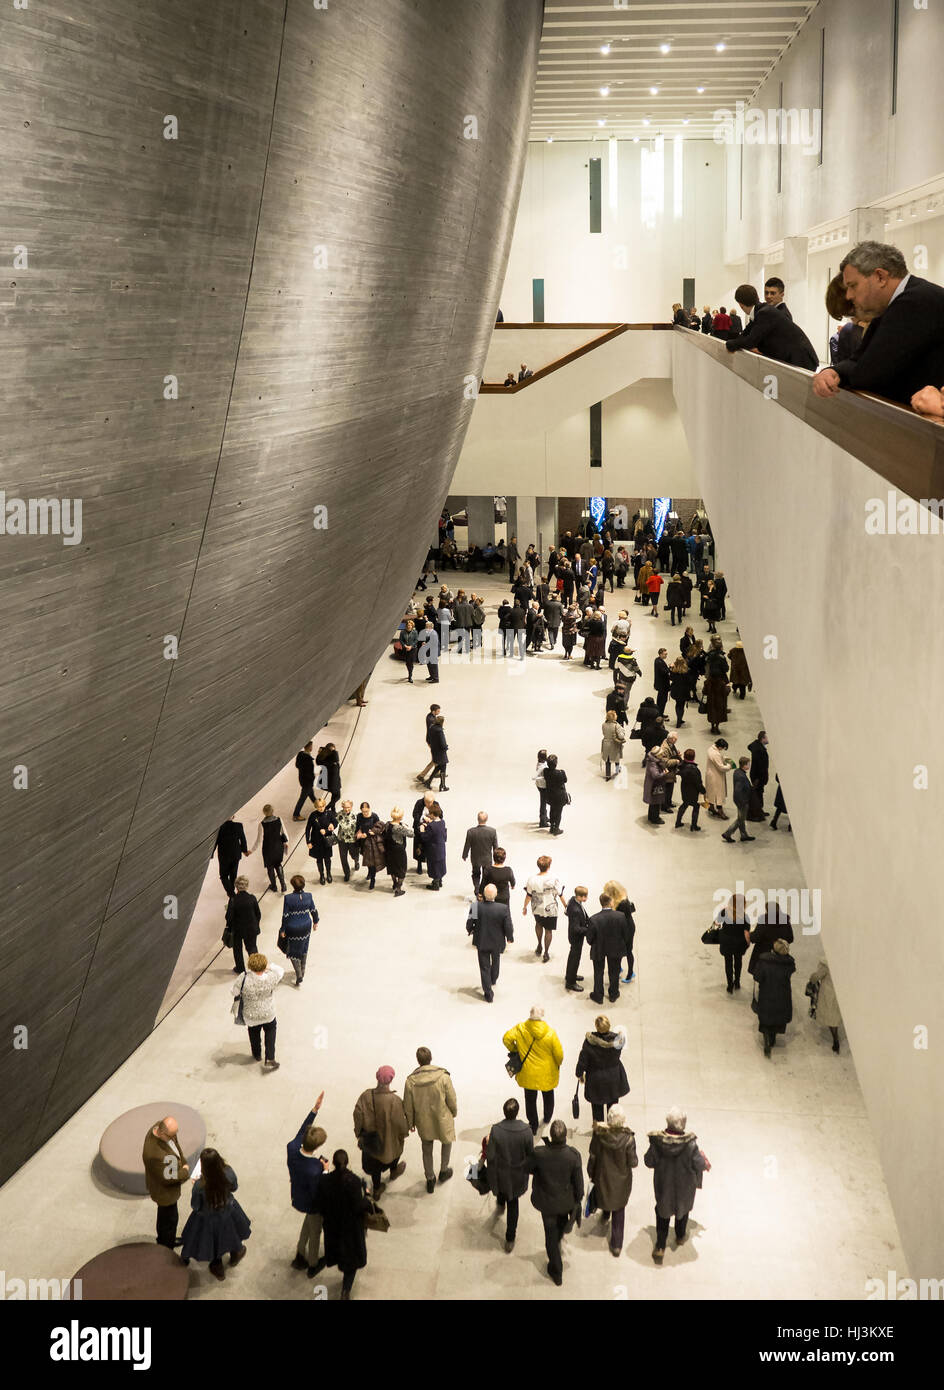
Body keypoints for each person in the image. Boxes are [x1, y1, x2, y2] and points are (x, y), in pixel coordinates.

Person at [811, 242, 944, 407]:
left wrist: (839, 372)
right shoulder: (899, 303)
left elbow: (869, 375)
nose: (849, 295)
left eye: (853, 286)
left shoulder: (915, 302)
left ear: (880, 277)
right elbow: (858, 360)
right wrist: (833, 371)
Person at [645, 1107, 709, 1263]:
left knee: (662, 1214)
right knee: (683, 1210)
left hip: (664, 1186)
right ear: (683, 1124)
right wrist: (703, 1159)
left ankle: (660, 1246)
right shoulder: (690, 1145)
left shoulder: (658, 1143)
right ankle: (680, 1236)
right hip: (684, 1188)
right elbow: (699, 1165)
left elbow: (648, 1161)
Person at [179, 1148, 251, 1281]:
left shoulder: (200, 1186)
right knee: (232, 1233)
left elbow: (195, 1205)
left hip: (208, 1219)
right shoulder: (228, 1172)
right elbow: (234, 1187)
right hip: (228, 1212)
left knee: (213, 1242)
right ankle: (235, 1254)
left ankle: (217, 1267)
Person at [531, 1119, 584, 1286]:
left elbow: (528, 1167)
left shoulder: (539, 1154)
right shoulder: (573, 1156)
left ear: (552, 1137)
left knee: (550, 1238)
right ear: (565, 1137)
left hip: (546, 1203)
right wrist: (578, 1199)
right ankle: (560, 1235)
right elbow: (579, 1185)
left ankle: (556, 1270)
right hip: (565, 1202)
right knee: (559, 1226)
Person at [314, 1150, 372, 1300]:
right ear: (347, 1162)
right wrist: (367, 1196)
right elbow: (359, 1206)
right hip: (350, 1228)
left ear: (332, 1163)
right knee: (351, 1260)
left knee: (338, 1252)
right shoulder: (353, 1181)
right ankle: (346, 1290)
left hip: (333, 1226)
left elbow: (320, 1204)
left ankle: (344, 1284)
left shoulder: (325, 1181)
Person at [503, 1005, 564, 1136]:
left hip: (528, 1072)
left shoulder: (520, 1029)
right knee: (548, 1096)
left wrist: (515, 1049)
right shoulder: (550, 1033)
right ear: (542, 1016)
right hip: (546, 1073)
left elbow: (506, 1038)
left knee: (530, 1099)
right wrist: (557, 1064)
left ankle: (533, 1125)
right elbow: (559, 1055)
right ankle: (547, 1118)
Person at [403, 1047, 458, 1192]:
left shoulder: (410, 1081)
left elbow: (408, 1105)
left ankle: (430, 1178)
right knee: (446, 1142)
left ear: (418, 1060)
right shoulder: (443, 1077)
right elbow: (451, 1098)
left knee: (426, 1148)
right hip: (442, 1118)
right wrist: (454, 1111)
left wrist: (411, 1122)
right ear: (431, 1058)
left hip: (423, 1120)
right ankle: (444, 1170)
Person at [725, 283, 818, 368]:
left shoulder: (764, 313)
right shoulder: (760, 311)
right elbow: (746, 333)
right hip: (796, 358)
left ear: (740, 305)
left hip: (801, 359)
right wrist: (734, 342)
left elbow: (751, 341)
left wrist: (730, 344)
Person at [588, 1104, 638, 1257]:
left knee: (606, 1194)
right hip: (621, 1180)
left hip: (603, 1175)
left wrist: (591, 1172)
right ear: (623, 1121)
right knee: (619, 1209)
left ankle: (604, 1214)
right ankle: (616, 1244)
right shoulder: (629, 1139)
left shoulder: (599, 1135)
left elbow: (593, 1154)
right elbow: (633, 1163)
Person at [287, 1093, 328, 1277]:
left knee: (307, 1226)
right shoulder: (314, 1169)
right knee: (315, 1231)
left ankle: (299, 1253)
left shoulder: (293, 1148)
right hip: (312, 1204)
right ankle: (312, 1263)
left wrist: (314, 1110)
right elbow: (318, 1191)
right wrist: (325, 1170)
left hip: (297, 1195)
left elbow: (302, 1131)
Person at [353, 1066, 410, 1198]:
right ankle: (393, 1171)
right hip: (390, 1143)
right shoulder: (395, 1101)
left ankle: (377, 1189)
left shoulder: (366, 1096)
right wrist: (403, 1134)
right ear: (391, 1080)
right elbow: (401, 1125)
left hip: (371, 1144)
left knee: (375, 1168)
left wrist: (359, 1134)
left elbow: (357, 1115)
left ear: (377, 1077)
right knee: (394, 1154)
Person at [487, 1098, 534, 1252]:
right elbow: (530, 1155)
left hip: (501, 1172)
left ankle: (500, 1202)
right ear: (517, 1112)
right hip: (518, 1175)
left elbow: (491, 1155)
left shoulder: (496, 1130)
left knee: (502, 1190)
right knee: (513, 1203)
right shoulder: (526, 1130)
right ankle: (510, 1238)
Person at [143, 1116, 190, 1249]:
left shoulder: (159, 1127)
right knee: (169, 1220)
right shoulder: (155, 1154)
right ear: (162, 1133)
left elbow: (175, 1146)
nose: (175, 1137)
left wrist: (182, 1160)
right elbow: (169, 1177)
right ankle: (165, 1247)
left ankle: (167, 1239)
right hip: (164, 1193)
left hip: (167, 1181)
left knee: (167, 1218)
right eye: (172, 1135)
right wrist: (185, 1171)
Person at [233, 951, 284, 1069]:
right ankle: (270, 1058)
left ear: (250, 965)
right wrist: (269, 966)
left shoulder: (243, 978)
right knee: (271, 1032)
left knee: (254, 1033)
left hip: (251, 1015)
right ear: (264, 966)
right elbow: (280, 970)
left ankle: (257, 1054)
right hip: (268, 1013)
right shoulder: (271, 977)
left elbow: (234, 992)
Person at [576, 1014, 629, 1124]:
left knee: (597, 1110)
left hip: (596, 1081)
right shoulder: (617, 1041)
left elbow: (582, 1061)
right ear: (609, 1026)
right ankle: (612, 1129)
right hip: (613, 1079)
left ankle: (599, 1132)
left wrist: (579, 1074)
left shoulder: (589, 1043)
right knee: (613, 1110)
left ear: (596, 1027)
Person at [467, 883, 514, 1002]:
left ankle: (488, 993)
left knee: (484, 966)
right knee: (496, 960)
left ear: (483, 894)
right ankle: (493, 979)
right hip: (497, 941)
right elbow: (508, 925)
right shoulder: (503, 908)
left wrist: (470, 930)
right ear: (496, 894)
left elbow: (469, 923)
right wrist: (509, 937)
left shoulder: (475, 906)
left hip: (481, 940)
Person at [587, 893, 634, 1004]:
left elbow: (589, 939)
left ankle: (598, 996)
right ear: (611, 902)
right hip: (615, 948)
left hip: (599, 949)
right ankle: (613, 994)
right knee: (614, 972)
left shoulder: (594, 919)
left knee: (598, 972)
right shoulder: (621, 916)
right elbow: (626, 934)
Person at [754, 939, 796, 1057]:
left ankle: (767, 1040)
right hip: (783, 995)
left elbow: (757, 977)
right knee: (777, 1017)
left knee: (766, 1018)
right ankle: (772, 1038)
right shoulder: (789, 964)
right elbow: (792, 970)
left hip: (767, 993)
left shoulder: (764, 961)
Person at [523, 854, 566, 962]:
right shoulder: (554, 879)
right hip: (550, 907)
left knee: (538, 925)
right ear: (549, 866)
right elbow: (560, 894)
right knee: (548, 930)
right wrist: (566, 906)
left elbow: (528, 895)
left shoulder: (532, 879)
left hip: (537, 906)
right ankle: (546, 952)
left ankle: (539, 945)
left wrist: (524, 907)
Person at [278, 874, 319, 985]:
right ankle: (303, 969)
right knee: (304, 947)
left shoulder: (288, 898)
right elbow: (314, 910)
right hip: (306, 926)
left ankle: (298, 974)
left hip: (293, 928)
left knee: (292, 950)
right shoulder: (308, 896)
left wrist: (283, 930)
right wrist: (316, 921)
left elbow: (285, 916)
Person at [713, 891, 750, 993]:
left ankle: (730, 985)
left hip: (726, 941)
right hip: (739, 943)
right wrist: (748, 943)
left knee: (728, 962)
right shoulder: (744, 916)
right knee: (738, 961)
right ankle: (737, 982)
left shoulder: (724, 912)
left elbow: (716, 923)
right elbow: (746, 933)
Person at [249, 803, 289, 892]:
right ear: (273, 811)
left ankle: (274, 886)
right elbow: (284, 832)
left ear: (264, 813)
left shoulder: (262, 824)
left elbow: (259, 840)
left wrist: (251, 850)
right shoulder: (279, 819)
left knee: (270, 867)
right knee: (278, 864)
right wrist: (287, 842)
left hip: (268, 848)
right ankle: (283, 885)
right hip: (278, 845)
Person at [747, 904, 794, 978]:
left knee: (763, 976)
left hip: (763, 954)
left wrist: (750, 934)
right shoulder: (785, 921)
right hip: (780, 954)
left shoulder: (764, 921)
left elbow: (755, 937)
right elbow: (790, 938)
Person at [225, 875, 261, 973]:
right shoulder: (252, 898)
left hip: (238, 930)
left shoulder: (233, 900)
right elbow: (258, 914)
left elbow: (228, 917)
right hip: (251, 928)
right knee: (252, 948)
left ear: (236, 887)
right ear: (247, 886)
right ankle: (256, 968)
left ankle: (240, 968)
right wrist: (255, 924)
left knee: (237, 949)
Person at [807, 959, 843, 1053]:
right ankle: (836, 1037)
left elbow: (816, 977)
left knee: (831, 1016)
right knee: (835, 1015)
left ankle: (835, 1039)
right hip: (840, 992)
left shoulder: (826, 964)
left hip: (829, 994)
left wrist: (811, 978)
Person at [722, 757, 756, 844]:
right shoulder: (741, 776)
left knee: (741, 818)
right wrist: (743, 802)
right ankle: (728, 833)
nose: (749, 765)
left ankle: (744, 835)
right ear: (744, 765)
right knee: (741, 819)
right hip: (742, 801)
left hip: (739, 800)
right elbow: (738, 790)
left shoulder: (737, 771)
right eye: (748, 764)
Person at [462, 811, 498, 892]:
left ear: (477, 819)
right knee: (486, 875)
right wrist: (497, 859)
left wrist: (465, 855)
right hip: (487, 858)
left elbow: (467, 845)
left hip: (475, 858)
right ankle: (483, 889)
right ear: (487, 819)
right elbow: (495, 846)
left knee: (476, 874)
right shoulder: (492, 831)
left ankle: (477, 887)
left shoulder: (471, 831)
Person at [305, 795, 336, 886]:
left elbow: (335, 822)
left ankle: (329, 874)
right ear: (316, 807)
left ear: (325, 806)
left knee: (327, 858)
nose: (321, 808)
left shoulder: (329, 814)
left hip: (326, 840)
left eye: (322, 806)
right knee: (319, 859)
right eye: (319, 807)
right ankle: (321, 875)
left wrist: (329, 828)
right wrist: (308, 841)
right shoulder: (313, 815)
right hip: (316, 840)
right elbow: (307, 829)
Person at [215, 816, 249, 898]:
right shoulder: (238, 826)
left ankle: (231, 894)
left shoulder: (219, 828)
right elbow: (243, 839)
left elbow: (215, 842)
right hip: (235, 854)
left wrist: (211, 854)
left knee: (223, 876)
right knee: (233, 874)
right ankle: (232, 892)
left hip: (224, 855)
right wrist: (244, 850)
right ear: (233, 817)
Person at [564, 885, 590, 992]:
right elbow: (576, 929)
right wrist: (588, 930)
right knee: (575, 959)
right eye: (585, 896)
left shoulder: (573, 901)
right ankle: (570, 983)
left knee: (572, 958)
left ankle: (570, 975)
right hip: (576, 938)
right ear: (579, 896)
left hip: (574, 937)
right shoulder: (575, 910)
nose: (586, 898)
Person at [383, 807, 412, 897]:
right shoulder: (399, 828)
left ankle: (394, 883)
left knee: (392, 868)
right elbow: (411, 834)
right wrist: (405, 827)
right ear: (400, 817)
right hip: (399, 851)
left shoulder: (387, 824)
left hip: (389, 850)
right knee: (401, 870)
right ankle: (398, 889)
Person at [674, 748, 705, 832]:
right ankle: (694, 825)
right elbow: (698, 783)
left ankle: (678, 822)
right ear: (694, 757)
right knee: (696, 807)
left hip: (684, 789)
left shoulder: (682, 766)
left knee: (684, 804)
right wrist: (703, 791)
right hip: (694, 791)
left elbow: (678, 769)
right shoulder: (694, 770)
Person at [356, 801, 385, 889]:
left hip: (372, 842)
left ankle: (373, 879)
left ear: (369, 809)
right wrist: (359, 832)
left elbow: (379, 828)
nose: (364, 813)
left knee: (372, 861)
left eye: (366, 811)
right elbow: (358, 826)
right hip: (363, 842)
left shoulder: (374, 816)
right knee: (367, 859)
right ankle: (369, 872)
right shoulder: (359, 816)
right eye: (363, 811)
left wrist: (369, 833)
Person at [419, 802, 447, 890]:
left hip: (433, 851)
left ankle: (435, 885)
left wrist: (422, 830)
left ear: (432, 814)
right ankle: (440, 881)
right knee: (440, 865)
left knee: (434, 867)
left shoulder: (431, 826)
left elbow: (425, 837)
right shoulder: (442, 822)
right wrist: (430, 823)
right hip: (441, 848)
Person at [705, 737, 735, 818]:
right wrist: (729, 765)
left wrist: (723, 758)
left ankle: (711, 807)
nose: (722, 750)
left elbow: (717, 758)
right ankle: (720, 811)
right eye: (723, 748)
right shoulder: (715, 754)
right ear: (720, 747)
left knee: (712, 793)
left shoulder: (711, 749)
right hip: (715, 776)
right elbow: (721, 767)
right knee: (718, 794)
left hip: (711, 773)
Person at [543, 753, 568, 835]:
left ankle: (552, 827)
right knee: (558, 812)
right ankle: (556, 828)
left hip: (550, 796)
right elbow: (565, 780)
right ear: (556, 763)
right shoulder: (561, 772)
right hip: (559, 796)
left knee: (552, 810)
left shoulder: (546, 771)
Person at [416, 703, 441, 784]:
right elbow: (434, 731)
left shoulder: (431, 716)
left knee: (436, 758)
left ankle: (437, 772)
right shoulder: (431, 720)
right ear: (433, 711)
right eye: (438, 710)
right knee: (435, 759)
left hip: (431, 740)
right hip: (432, 741)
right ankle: (421, 775)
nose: (439, 712)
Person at [643, 747, 668, 826]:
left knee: (653, 802)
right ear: (657, 755)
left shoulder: (652, 761)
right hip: (655, 786)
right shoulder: (653, 764)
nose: (662, 755)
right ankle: (655, 818)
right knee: (656, 802)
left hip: (652, 784)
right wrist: (664, 773)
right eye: (661, 754)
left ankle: (651, 817)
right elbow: (656, 775)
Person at [336, 799, 360, 881]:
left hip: (352, 840)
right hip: (342, 839)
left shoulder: (356, 815)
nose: (347, 809)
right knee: (343, 858)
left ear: (351, 806)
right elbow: (334, 823)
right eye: (345, 807)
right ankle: (347, 873)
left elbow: (360, 826)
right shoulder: (339, 814)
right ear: (342, 807)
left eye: (348, 807)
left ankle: (356, 861)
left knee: (354, 854)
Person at [292, 741, 317, 821]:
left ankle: (319, 806)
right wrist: (312, 779)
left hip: (302, 780)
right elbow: (309, 772)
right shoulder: (308, 759)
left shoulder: (300, 755)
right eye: (311, 746)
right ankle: (296, 815)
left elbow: (297, 765)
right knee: (302, 798)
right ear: (310, 747)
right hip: (307, 782)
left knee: (311, 794)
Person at [747, 731, 770, 817]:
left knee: (757, 794)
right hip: (758, 778)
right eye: (767, 737)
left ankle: (758, 810)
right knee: (758, 795)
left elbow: (749, 746)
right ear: (762, 739)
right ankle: (757, 812)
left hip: (755, 776)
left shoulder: (756, 746)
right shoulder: (760, 751)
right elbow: (761, 768)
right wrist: (763, 779)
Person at [601, 708, 626, 781]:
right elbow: (621, 736)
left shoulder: (603, 724)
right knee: (616, 758)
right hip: (614, 744)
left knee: (607, 760)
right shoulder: (616, 725)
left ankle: (608, 775)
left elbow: (603, 733)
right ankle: (617, 770)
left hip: (606, 743)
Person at [315, 743, 341, 811]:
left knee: (334, 795)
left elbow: (318, 761)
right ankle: (326, 808)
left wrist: (322, 750)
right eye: (333, 749)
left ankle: (333, 809)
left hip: (331, 781)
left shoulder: (326, 758)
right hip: (333, 782)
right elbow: (336, 758)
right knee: (338, 796)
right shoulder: (332, 759)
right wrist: (333, 751)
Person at [669, 657, 690, 729]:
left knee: (678, 704)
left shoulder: (674, 671)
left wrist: (670, 668)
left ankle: (679, 719)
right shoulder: (687, 671)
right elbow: (689, 681)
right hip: (684, 691)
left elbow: (671, 678)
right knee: (682, 705)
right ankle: (679, 719)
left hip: (676, 690)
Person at [399, 616, 420, 682]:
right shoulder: (402, 632)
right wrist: (405, 646)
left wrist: (411, 646)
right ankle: (409, 672)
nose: (409, 626)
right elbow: (401, 640)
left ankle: (410, 676)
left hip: (413, 649)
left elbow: (416, 640)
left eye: (410, 625)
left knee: (411, 663)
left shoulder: (415, 632)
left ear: (412, 626)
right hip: (405, 649)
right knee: (407, 663)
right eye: (408, 625)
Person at [653, 648, 671, 715]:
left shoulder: (657, 660)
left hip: (660, 684)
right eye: (665, 654)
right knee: (662, 700)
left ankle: (660, 713)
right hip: (663, 685)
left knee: (660, 699)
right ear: (660, 654)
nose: (666, 655)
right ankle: (660, 714)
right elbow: (664, 672)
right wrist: (670, 668)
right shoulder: (659, 662)